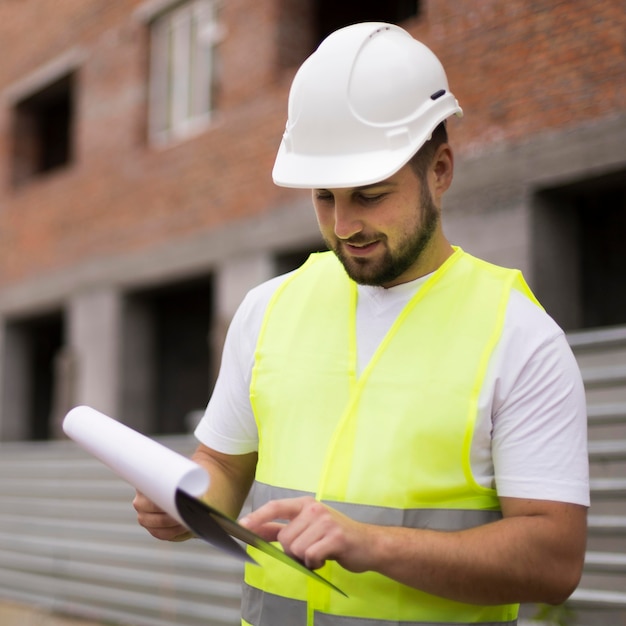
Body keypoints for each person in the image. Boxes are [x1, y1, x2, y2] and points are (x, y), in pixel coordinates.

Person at [134, 22, 589, 626]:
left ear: (441, 170)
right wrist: (188, 502)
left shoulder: (519, 337)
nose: (345, 224)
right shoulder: (268, 309)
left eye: (371, 195)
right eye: (325, 197)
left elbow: (554, 562)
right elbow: (222, 467)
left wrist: (373, 545)